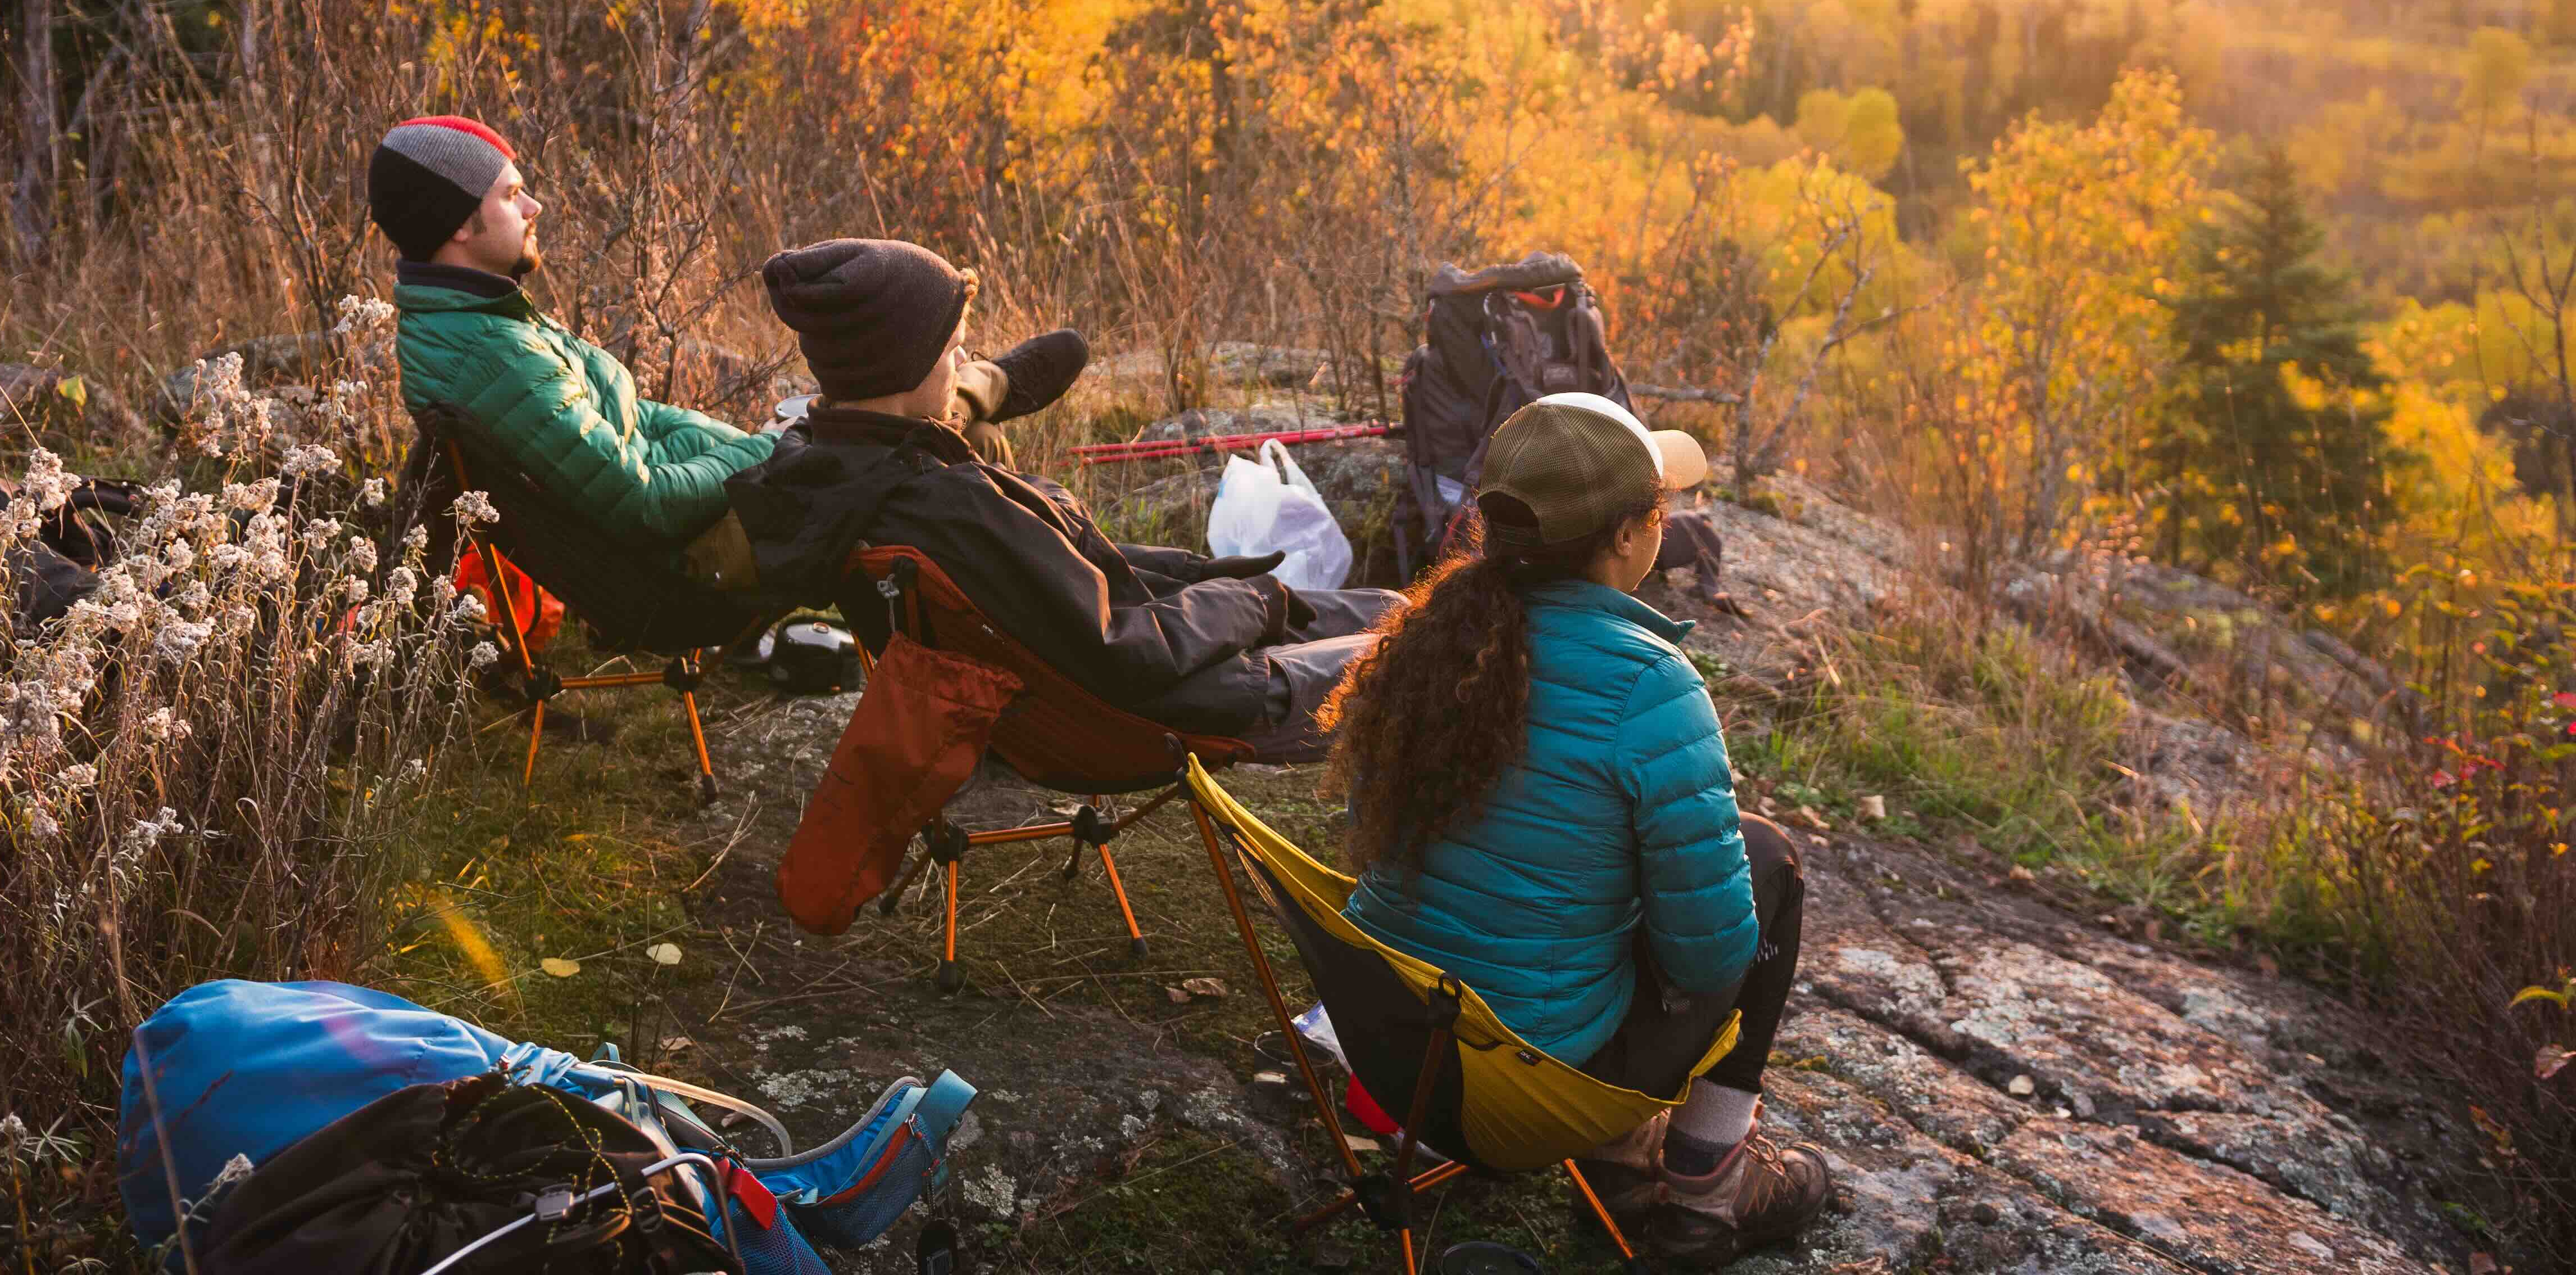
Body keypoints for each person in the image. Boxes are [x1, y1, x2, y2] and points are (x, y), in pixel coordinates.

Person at [1321, 392, 1829, 1267]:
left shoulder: (1430, 638)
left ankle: (1626, 1169)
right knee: (1767, 859)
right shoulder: (1651, 686)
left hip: (1392, 1047)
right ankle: (1707, 1193)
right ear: (1631, 536)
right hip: (1523, 1086)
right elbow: (1708, 962)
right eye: (1665, 509)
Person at [725, 238, 1394, 761]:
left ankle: (998, 390)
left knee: (1402, 614)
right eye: (956, 353)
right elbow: (1121, 650)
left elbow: (1067, 582)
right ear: (902, 368)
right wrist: (1248, 600)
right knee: (1429, 644)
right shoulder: (952, 506)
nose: (957, 362)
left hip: (1098, 681)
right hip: (1156, 709)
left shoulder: (835, 472)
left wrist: (1195, 574)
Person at [369, 117, 1087, 554]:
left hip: (708, 515)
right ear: (459, 226)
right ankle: (974, 387)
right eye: (509, 194)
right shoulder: (491, 354)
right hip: (688, 561)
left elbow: (638, 420)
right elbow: (643, 500)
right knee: (918, 448)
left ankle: (976, 391)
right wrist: (762, 451)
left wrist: (745, 442)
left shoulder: (481, 320)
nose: (535, 204)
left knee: (963, 448)